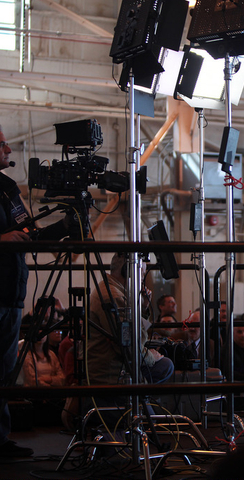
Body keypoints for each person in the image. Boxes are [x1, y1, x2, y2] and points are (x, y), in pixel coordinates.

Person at [0, 125, 73, 457]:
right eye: (2, 146)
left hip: (12, 293)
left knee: (4, 372)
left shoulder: (7, 188)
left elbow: (30, 234)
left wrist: (64, 227)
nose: (8, 151)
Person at [87, 253, 174, 386]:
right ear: (128, 270)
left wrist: (143, 308)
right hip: (111, 372)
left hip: (110, 365)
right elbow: (130, 348)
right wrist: (151, 357)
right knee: (166, 365)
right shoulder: (114, 297)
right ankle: (138, 400)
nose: (142, 279)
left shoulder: (111, 289)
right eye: (142, 274)